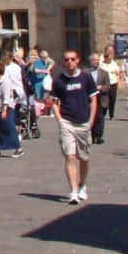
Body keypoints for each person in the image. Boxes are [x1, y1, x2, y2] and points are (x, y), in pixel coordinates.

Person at [50, 50, 98, 205]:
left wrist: (91, 121)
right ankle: (74, 191)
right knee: (70, 156)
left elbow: (93, 99)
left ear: (77, 60)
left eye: (72, 59)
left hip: (83, 122)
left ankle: (82, 184)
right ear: (63, 62)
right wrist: (60, 121)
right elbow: (54, 103)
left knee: (84, 158)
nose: (69, 62)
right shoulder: (59, 81)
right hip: (67, 123)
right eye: (66, 59)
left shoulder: (86, 77)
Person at [0, 61, 23, 158]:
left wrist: (4, 109)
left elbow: (6, 96)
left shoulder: (6, 81)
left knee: (9, 127)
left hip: (6, 108)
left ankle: (18, 148)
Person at [89, 53, 109, 145]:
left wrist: (101, 87)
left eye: (97, 60)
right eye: (94, 60)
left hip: (101, 99)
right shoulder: (85, 73)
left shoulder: (104, 73)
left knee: (100, 118)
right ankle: (93, 136)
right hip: (89, 100)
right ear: (91, 61)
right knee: (91, 117)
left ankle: (98, 136)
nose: (96, 62)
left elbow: (108, 87)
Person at [100, 46, 122, 120]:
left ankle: (111, 115)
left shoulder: (113, 63)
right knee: (105, 99)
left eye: (109, 56)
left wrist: (119, 82)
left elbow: (118, 72)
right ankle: (103, 113)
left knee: (113, 99)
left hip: (113, 83)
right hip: (105, 84)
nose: (108, 58)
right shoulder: (102, 64)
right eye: (106, 56)